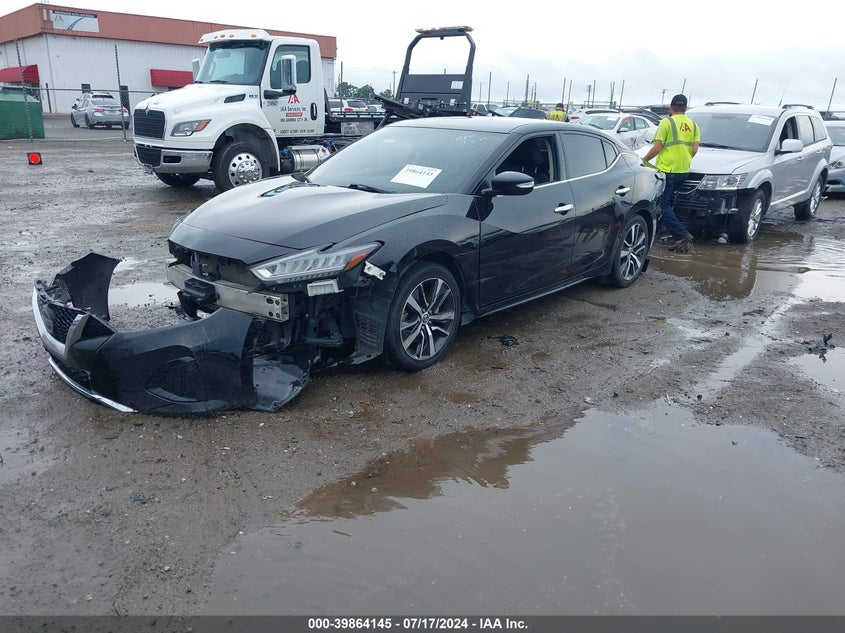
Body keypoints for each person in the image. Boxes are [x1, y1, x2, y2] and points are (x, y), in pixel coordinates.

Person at [642, 93, 700, 253]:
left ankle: (682, 236)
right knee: (670, 204)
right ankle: (674, 238)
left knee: (662, 205)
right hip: (683, 171)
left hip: (668, 170)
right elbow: (694, 149)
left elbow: (657, 147)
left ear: (670, 107)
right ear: (685, 108)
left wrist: (643, 161)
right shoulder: (694, 125)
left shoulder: (666, 123)